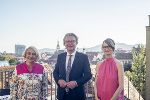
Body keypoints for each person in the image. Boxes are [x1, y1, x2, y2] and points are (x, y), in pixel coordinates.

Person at [53, 33, 92, 100]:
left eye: (72, 41)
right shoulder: (60, 57)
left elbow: (88, 75)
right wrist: (59, 80)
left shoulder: (83, 57)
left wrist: (76, 83)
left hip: (77, 95)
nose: (70, 43)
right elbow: (55, 72)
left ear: (76, 43)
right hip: (62, 95)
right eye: (67, 41)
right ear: (64, 43)